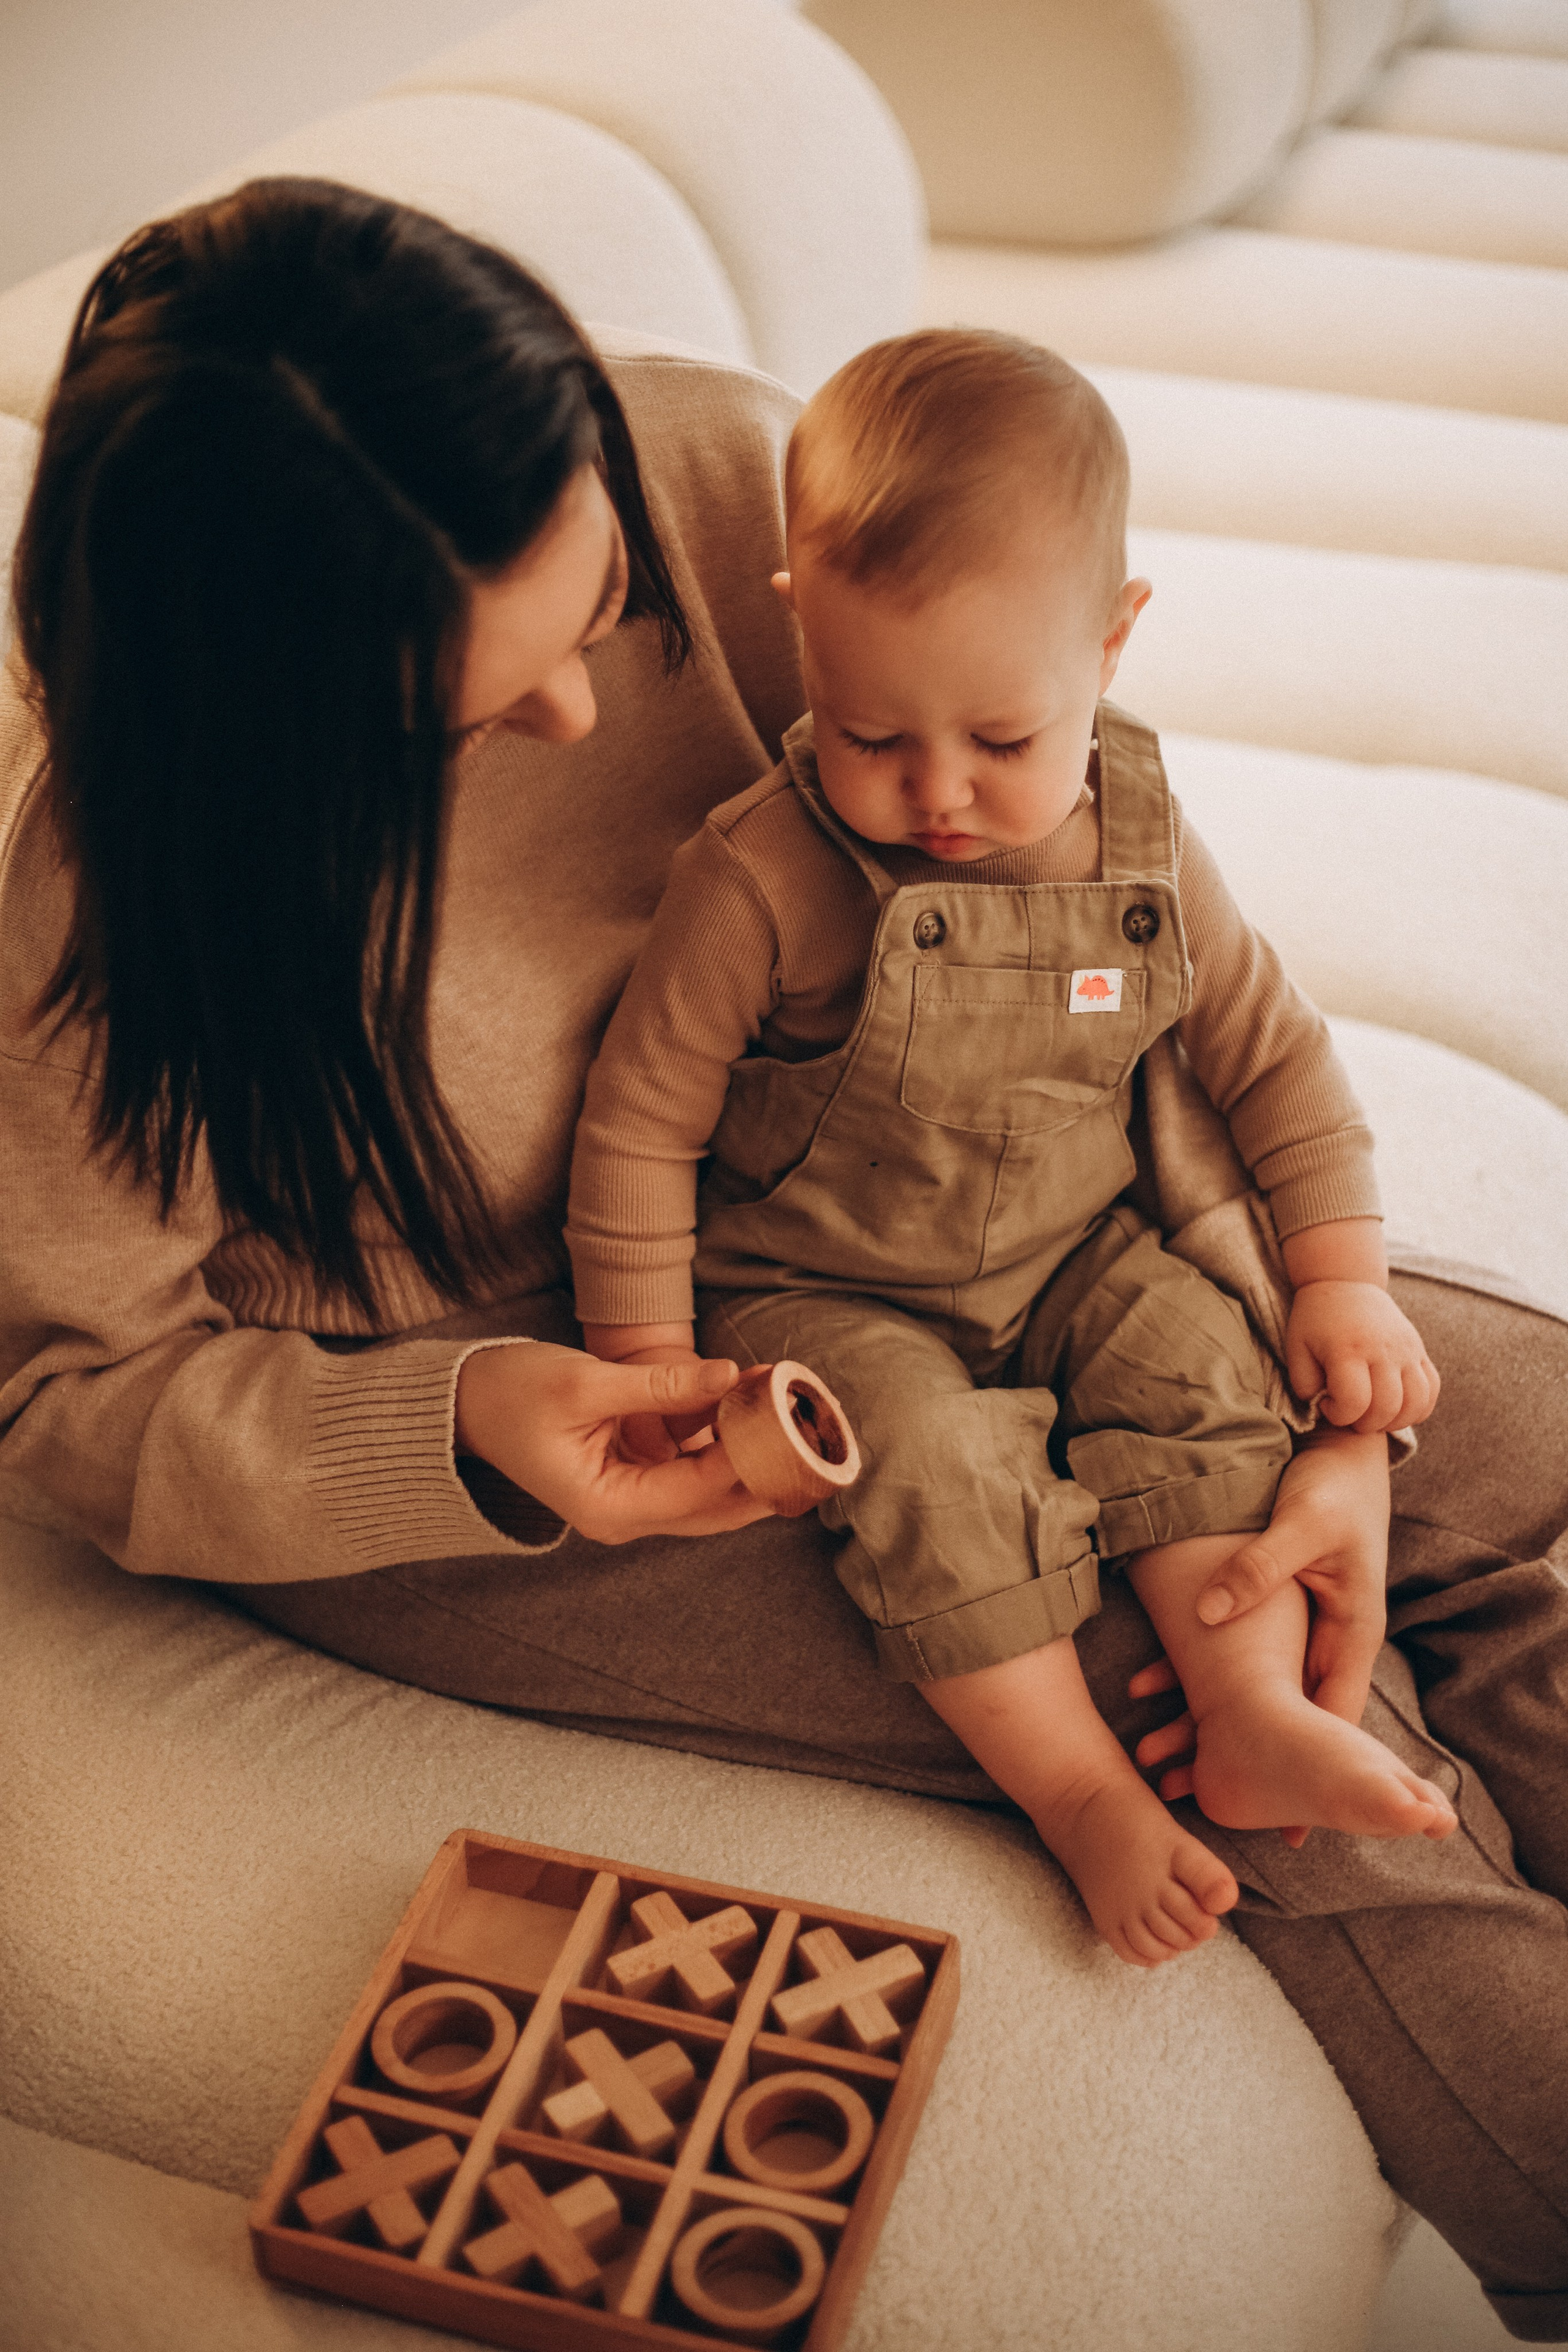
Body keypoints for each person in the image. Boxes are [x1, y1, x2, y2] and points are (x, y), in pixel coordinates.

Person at [0, 183, 1562, 2337]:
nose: (576, 720)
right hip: (537, 1422)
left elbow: (1102, 948)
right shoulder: (94, 923)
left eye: (606, 611)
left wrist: (1321, 1378)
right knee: (1245, 1690)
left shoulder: (732, 475)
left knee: (1513, 1451)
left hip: (950, 1191)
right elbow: (66, 1392)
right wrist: (465, 1427)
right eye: (466, 710)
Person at [564, 330, 1453, 1969]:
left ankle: (1247, 1703)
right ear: (800, 634)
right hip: (825, 1291)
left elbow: (1272, 1055)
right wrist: (647, 1365)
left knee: (1205, 1370)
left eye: (1001, 736)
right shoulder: (758, 878)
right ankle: (1081, 1793)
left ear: (1111, 644)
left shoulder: (1140, 840)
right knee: (934, 1473)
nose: (941, 794)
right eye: (872, 734)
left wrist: (1341, 1279)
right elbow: (638, 1127)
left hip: (1077, 1250)